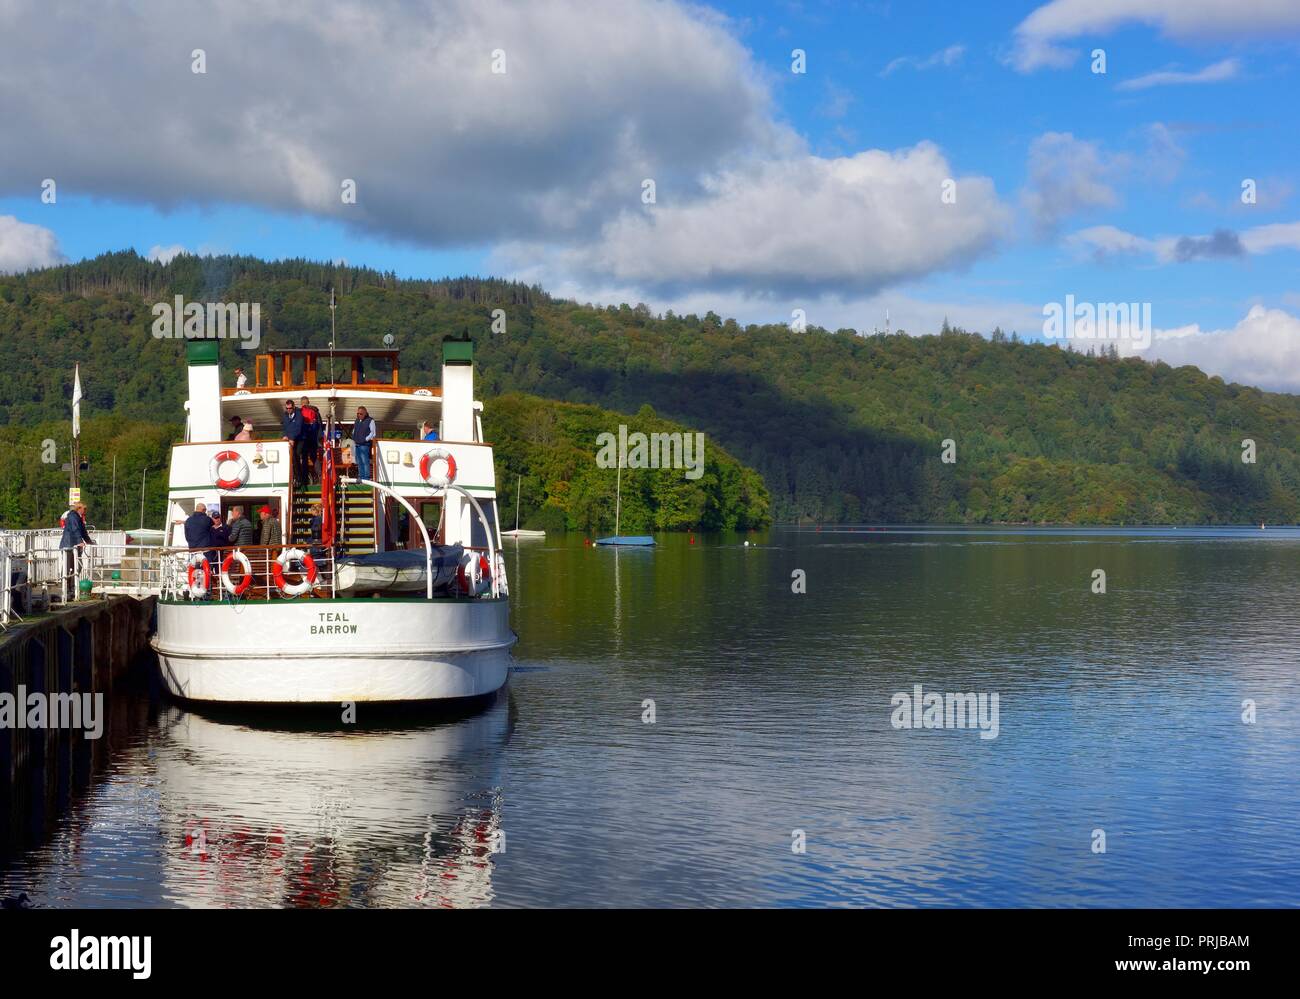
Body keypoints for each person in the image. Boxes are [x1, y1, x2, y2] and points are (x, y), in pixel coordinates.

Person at [58, 501, 94, 590]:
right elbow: (75, 529)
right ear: (79, 508)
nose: (85, 511)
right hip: (68, 545)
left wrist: (89, 541)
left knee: (77, 565)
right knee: (68, 566)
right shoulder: (73, 516)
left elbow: (83, 531)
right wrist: (80, 541)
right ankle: (66, 586)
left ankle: (72, 586)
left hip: (73, 545)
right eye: (84, 509)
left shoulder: (78, 517)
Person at [183, 500, 215, 574]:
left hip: (193, 550)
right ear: (203, 510)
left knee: (195, 572)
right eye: (205, 510)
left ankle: (195, 585)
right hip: (205, 551)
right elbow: (213, 526)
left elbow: (186, 536)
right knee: (206, 571)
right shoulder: (207, 519)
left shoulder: (188, 520)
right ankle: (207, 585)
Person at [282, 399, 307, 487]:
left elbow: (298, 428)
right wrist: (285, 435)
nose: (288, 410)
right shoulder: (285, 416)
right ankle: (296, 478)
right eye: (287, 408)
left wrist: (292, 438)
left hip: (299, 439)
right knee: (292, 459)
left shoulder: (299, 415)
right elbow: (285, 427)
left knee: (296, 456)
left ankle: (300, 479)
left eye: (290, 408)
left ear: (293, 407)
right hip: (290, 440)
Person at [300, 396, 321, 483]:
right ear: (308, 402)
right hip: (313, 438)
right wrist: (319, 438)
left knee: (304, 459)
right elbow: (319, 425)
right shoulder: (315, 411)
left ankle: (305, 479)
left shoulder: (299, 412)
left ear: (301, 403)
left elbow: (298, 426)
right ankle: (320, 477)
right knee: (314, 458)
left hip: (304, 438)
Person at [352, 406, 376, 482]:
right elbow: (354, 430)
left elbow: (373, 433)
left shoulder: (370, 420)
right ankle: (361, 477)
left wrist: (365, 439)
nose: (359, 415)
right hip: (357, 444)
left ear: (365, 413)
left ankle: (366, 478)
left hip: (364, 445)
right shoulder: (356, 420)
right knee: (359, 462)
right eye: (358, 413)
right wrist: (354, 436)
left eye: (361, 413)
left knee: (365, 461)